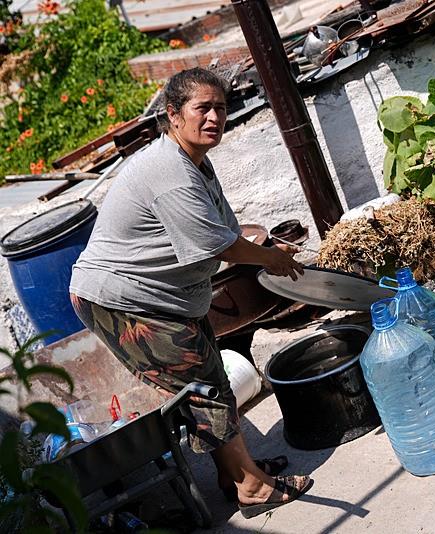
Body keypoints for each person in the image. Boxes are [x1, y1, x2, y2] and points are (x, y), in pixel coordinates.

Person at [69, 67, 311, 519]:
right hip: (125, 301)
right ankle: (252, 488)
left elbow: (224, 227)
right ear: (173, 115)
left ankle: (234, 474)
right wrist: (271, 259)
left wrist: (261, 245)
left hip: (163, 294)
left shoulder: (195, 161)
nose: (214, 117)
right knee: (203, 388)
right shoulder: (171, 173)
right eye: (203, 108)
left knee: (209, 378)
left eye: (220, 107)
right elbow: (220, 245)